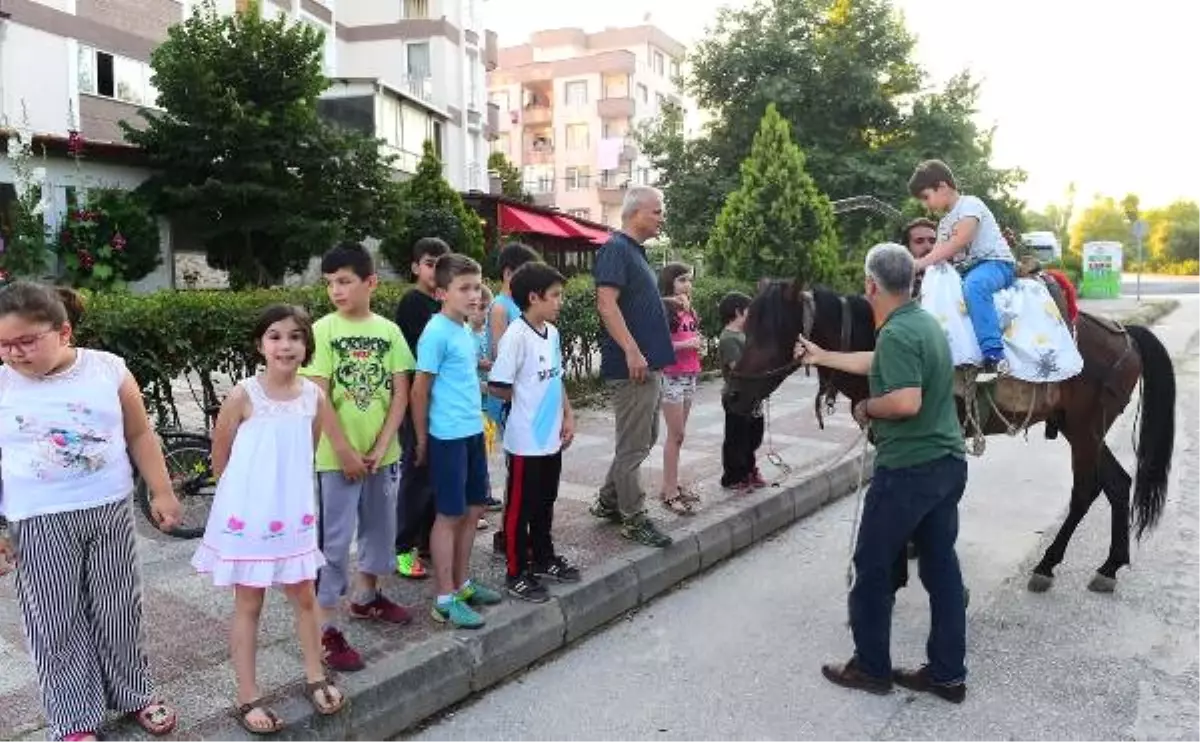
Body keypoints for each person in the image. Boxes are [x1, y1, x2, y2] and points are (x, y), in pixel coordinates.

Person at [0, 282, 182, 741]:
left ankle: (135, 691)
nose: (15, 354)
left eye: (26, 341)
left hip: (109, 511)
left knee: (119, 606)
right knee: (55, 620)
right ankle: (75, 718)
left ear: (63, 332)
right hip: (37, 521)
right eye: (4, 344)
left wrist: (161, 491)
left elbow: (140, 434)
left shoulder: (108, 370)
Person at [796, 243, 969, 704]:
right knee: (942, 569)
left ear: (871, 284)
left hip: (910, 472)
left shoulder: (895, 333)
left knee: (872, 567)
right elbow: (879, 362)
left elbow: (905, 400)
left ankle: (872, 669)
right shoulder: (922, 324)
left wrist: (865, 406)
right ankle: (948, 676)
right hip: (947, 466)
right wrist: (824, 357)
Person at [193, 305, 346, 734]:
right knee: (249, 602)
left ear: (306, 346)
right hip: (251, 519)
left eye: (296, 336)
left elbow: (309, 449)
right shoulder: (244, 394)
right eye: (275, 336)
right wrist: (240, 506)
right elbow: (220, 454)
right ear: (261, 344)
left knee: (304, 596)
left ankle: (316, 675)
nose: (286, 345)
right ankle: (248, 696)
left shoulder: (313, 396)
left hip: (293, 516)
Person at [302, 242, 414, 673]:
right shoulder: (323, 330)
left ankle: (367, 597)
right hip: (335, 459)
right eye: (330, 283)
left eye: (345, 281)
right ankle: (326, 625)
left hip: (382, 456)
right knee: (333, 541)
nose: (336, 291)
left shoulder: (389, 331)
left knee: (381, 528)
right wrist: (346, 451)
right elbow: (318, 395)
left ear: (370, 282)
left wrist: (383, 444)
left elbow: (400, 393)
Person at [412, 253, 504, 629]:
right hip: (446, 437)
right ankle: (444, 598)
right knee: (448, 515)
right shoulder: (435, 332)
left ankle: (463, 584)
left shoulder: (465, 329)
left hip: (471, 431)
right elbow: (421, 390)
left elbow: (462, 381)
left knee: (473, 509)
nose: (474, 296)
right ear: (441, 293)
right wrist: (421, 438)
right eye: (464, 288)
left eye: (477, 287)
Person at [488, 262, 581, 601]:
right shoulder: (516, 335)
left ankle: (544, 557)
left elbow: (556, 378)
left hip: (551, 437)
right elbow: (498, 385)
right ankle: (516, 572)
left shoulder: (552, 333)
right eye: (555, 296)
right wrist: (526, 398)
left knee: (545, 501)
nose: (560, 302)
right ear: (533, 297)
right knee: (519, 507)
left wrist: (567, 416)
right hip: (526, 439)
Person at [590, 185, 676, 548]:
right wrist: (631, 350)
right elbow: (606, 305)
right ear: (636, 212)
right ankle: (633, 517)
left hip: (647, 364)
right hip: (633, 368)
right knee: (634, 445)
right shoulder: (615, 249)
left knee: (643, 439)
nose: (661, 217)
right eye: (656, 211)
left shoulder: (634, 253)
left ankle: (610, 501)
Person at [909, 159, 1016, 376]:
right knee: (937, 284)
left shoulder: (970, 205)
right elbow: (937, 255)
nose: (925, 205)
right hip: (968, 271)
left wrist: (919, 263)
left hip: (995, 263)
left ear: (942, 187)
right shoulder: (944, 223)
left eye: (926, 197)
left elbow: (957, 242)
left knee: (974, 287)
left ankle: (994, 354)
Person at [393, 237, 450, 580]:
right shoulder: (413, 303)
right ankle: (402, 547)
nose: (434, 270)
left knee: (435, 475)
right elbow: (419, 360)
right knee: (416, 472)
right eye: (429, 263)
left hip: (441, 403)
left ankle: (429, 540)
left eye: (441, 263)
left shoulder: (442, 303)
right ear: (415, 267)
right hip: (419, 399)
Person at [657, 262, 702, 514]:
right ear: (670, 283)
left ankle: (670, 486)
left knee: (679, 435)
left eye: (689, 280)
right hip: (672, 376)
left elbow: (689, 338)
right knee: (675, 435)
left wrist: (696, 344)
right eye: (682, 280)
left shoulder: (689, 310)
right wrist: (687, 345)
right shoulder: (664, 309)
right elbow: (658, 346)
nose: (687, 285)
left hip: (690, 374)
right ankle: (670, 492)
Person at [717, 291, 766, 492]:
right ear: (738, 312)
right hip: (737, 397)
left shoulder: (745, 335)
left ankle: (748, 469)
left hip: (753, 396)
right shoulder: (729, 338)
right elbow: (738, 367)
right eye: (749, 311)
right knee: (736, 438)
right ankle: (733, 475)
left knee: (754, 435)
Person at [903, 217, 938, 297]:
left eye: (932, 241)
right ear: (907, 247)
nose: (928, 246)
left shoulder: (952, 277)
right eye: (919, 241)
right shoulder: (898, 284)